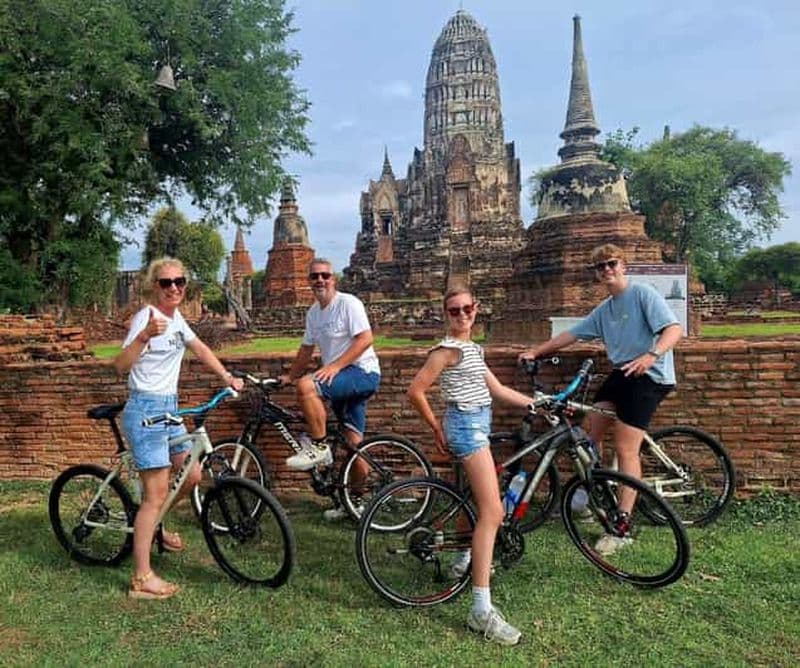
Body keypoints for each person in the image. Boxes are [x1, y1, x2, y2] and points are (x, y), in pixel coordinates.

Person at [520, 243, 683, 554]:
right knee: (587, 433)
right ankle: (588, 494)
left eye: (611, 264)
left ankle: (622, 524)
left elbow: (674, 330)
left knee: (625, 448)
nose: (607, 270)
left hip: (650, 376)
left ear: (623, 265)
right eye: (600, 267)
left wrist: (651, 356)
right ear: (596, 274)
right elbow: (572, 335)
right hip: (623, 373)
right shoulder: (605, 309)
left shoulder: (642, 294)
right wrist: (536, 352)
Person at [407, 284, 534, 646]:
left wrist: (537, 404)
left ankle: (464, 556)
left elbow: (496, 389)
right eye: (454, 311)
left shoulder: (472, 349)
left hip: (477, 423)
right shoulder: (446, 351)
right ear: (445, 315)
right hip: (465, 428)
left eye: (467, 309)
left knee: (476, 501)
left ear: (476, 309)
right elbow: (415, 390)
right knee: (493, 512)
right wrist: (436, 428)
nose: (462, 315)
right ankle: (481, 609)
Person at [114, 257, 244, 599]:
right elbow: (120, 365)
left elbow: (199, 348)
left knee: (192, 475)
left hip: (169, 408)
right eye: (166, 283)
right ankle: (141, 578)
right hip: (145, 409)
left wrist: (227, 376)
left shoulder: (177, 318)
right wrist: (143, 336)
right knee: (154, 495)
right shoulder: (147, 317)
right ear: (153, 287)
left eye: (179, 282)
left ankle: (154, 528)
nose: (174, 288)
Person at [278, 258, 381, 520]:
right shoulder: (314, 313)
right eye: (314, 276)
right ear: (309, 281)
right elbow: (306, 349)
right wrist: (290, 376)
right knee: (353, 445)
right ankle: (354, 503)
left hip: (361, 373)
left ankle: (319, 446)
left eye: (325, 275)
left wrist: (335, 367)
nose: (320, 280)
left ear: (333, 278)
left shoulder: (348, 303)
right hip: (343, 381)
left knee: (307, 387)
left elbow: (366, 339)